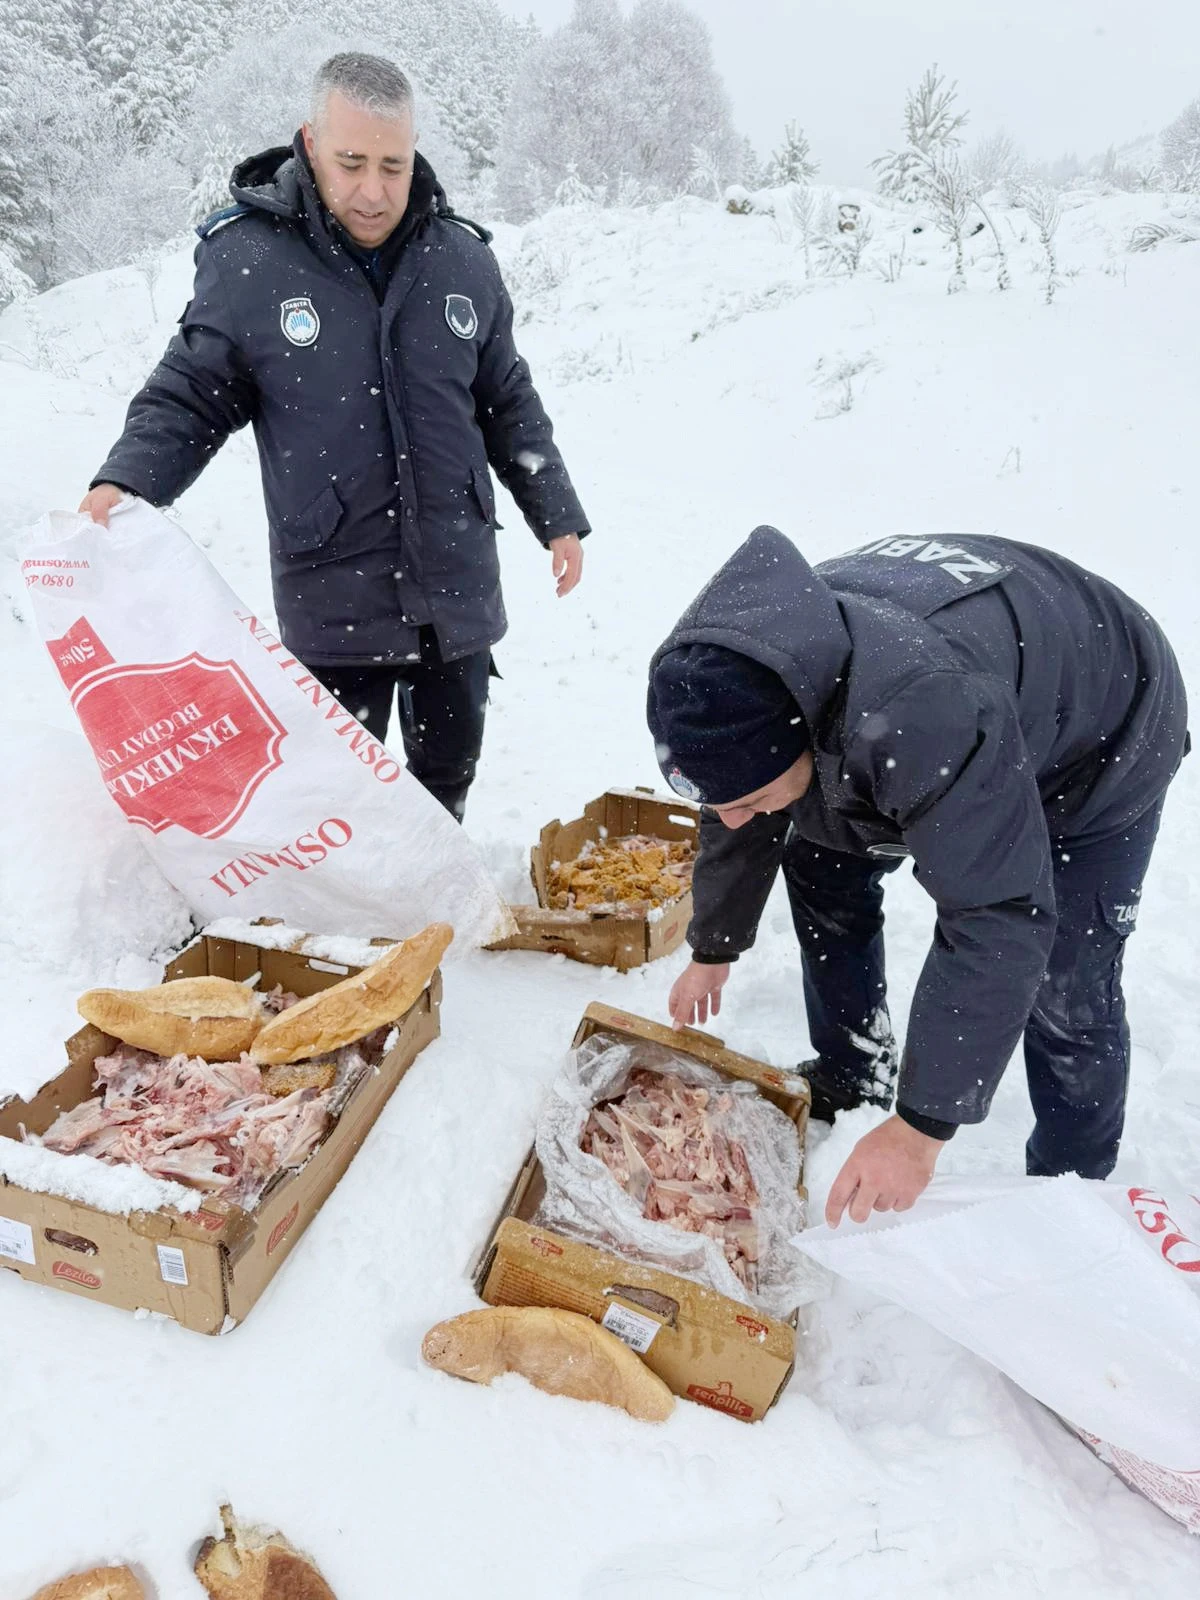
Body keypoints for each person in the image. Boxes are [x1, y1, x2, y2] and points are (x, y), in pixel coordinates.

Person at [79, 52, 589, 821]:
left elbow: (506, 397)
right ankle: (347, 925)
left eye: (394, 164)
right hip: (332, 583)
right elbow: (191, 393)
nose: (375, 190)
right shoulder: (250, 261)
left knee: (447, 773)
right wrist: (125, 479)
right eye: (351, 163)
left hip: (456, 580)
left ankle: (430, 911)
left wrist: (556, 511)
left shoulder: (462, 259)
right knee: (333, 793)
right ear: (310, 144)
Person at [646, 525, 1188, 1226]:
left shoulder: (920, 714)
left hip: (1101, 729)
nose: (735, 816)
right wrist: (714, 945)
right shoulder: (736, 675)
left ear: (805, 732)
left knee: (1065, 973)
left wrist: (921, 1129)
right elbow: (733, 797)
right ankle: (853, 1067)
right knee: (817, 863)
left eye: (751, 797)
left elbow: (995, 914)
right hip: (953, 680)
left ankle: (1069, 1199)